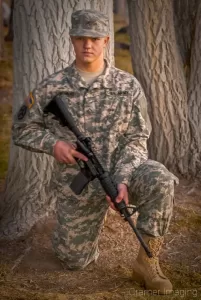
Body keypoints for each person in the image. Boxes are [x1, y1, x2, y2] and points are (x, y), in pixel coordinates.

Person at [12, 9, 178, 295]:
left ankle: (147, 261)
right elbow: (21, 129)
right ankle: (83, 230)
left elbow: (138, 137)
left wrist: (122, 180)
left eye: (94, 38)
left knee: (161, 179)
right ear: (72, 40)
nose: (87, 44)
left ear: (106, 41)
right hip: (79, 183)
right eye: (80, 38)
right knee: (74, 261)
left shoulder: (127, 86)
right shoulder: (53, 87)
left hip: (124, 172)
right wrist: (54, 145)